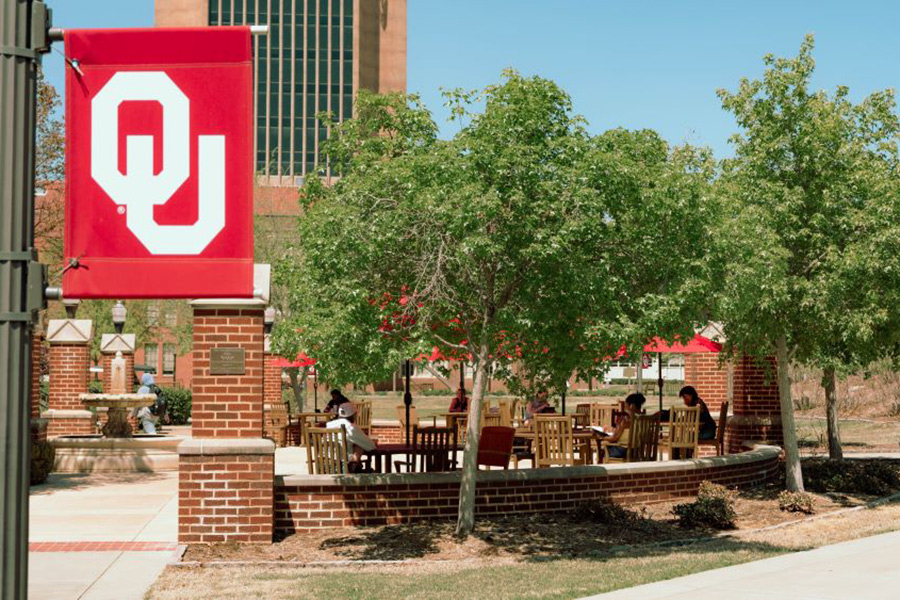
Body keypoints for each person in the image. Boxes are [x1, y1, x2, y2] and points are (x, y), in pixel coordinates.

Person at [326, 402, 376, 472]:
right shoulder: (350, 427)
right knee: (359, 447)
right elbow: (371, 446)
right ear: (353, 415)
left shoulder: (329, 425)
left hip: (325, 465)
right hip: (341, 467)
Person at [603, 392, 646, 459]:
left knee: (602, 450)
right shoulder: (645, 419)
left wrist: (602, 437)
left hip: (623, 451)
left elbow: (614, 438)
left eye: (626, 406)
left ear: (631, 406)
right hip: (638, 451)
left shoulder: (626, 419)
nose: (625, 409)